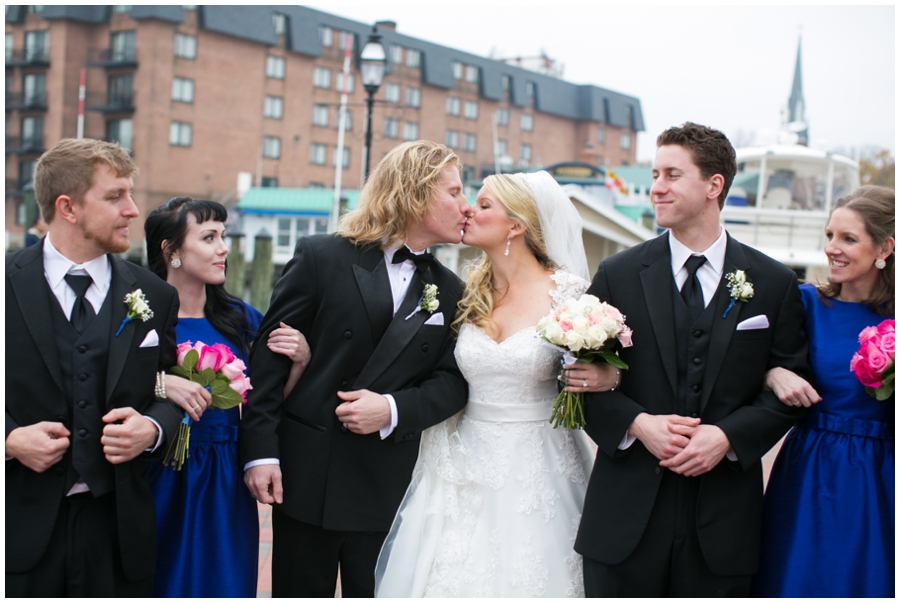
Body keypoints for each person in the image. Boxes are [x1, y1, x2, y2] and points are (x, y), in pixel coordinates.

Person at [575, 123, 813, 597]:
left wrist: (727, 436)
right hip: (625, 518)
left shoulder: (773, 282)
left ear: (713, 185)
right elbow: (576, 382)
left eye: (671, 174)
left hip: (723, 524)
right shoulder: (618, 274)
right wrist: (639, 424)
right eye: (654, 173)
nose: (656, 187)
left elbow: (793, 389)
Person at [240, 140, 470, 598]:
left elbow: (453, 382)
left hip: (389, 482)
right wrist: (261, 451)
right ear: (416, 193)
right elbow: (267, 362)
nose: (466, 207)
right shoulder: (321, 257)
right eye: (455, 192)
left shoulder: (451, 289)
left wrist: (390, 409)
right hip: (309, 475)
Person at [374, 170, 614, 597]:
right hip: (462, 462)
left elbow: (600, 369)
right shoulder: (467, 292)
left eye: (484, 205)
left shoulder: (571, 295)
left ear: (517, 225)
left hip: (541, 463)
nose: (468, 209)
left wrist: (605, 375)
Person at [5, 138, 183, 597]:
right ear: (68, 207)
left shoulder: (155, 295)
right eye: (114, 196)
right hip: (17, 528)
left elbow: (168, 385)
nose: (131, 210)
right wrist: (8, 440)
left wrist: (153, 428)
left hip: (118, 531)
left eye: (130, 194)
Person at [143, 197, 310, 597]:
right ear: (171, 251)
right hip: (157, 471)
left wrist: (301, 361)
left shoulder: (242, 319)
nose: (224, 248)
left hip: (224, 475)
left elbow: (267, 401)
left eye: (223, 235)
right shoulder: (139, 317)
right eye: (209, 237)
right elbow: (107, 386)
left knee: (224, 581)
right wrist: (162, 384)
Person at [752, 186, 895, 597]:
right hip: (811, 464)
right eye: (830, 235)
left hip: (881, 472)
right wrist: (772, 373)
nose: (833, 248)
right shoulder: (804, 302)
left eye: (848, 239)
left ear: (884, 247)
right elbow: (743, 362)